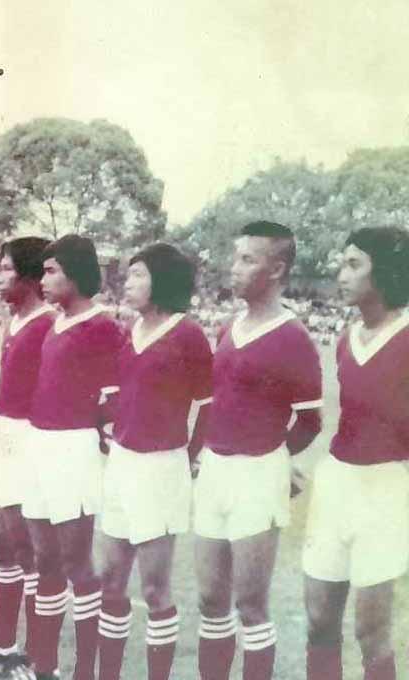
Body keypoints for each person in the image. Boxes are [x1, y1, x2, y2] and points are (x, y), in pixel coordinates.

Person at [195, 221, 322, 680]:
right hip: (214, 469)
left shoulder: (294, 337)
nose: (235, 267)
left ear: (277, 268)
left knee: (250, 604)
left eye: (248, 259)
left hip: (257, 475)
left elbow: (310, 423)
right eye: (236, 257)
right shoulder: (229, 327)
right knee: (210, 598)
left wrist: (273, 460)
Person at [96, 244, 212, 680]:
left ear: (162, 279)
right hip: (122, 464)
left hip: (162, 468)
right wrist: (110, 427)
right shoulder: (130, 329)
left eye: (138, 274)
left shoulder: (189, 335)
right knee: (111, 580)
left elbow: (209, 404)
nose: (128, 282)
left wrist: (190, 455)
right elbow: (124, 394)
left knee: (154, 587)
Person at [303, 226, 409, 680]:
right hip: (336, 484)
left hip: (386, 489)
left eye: (353, 264)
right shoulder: (345, 339)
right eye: (341, 263)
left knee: (371, 632)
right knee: (319, 622)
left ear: (384, 272)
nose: (340, 273)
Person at [23, 234, 123, 680]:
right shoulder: (53, 323)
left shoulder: (103, 325)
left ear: (77, 274)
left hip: (74, 449)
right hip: (40, 444)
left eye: (51, 271)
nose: (42, 280)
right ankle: (44, 666)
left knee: (76, 563)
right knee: (44, 560)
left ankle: (85, 671)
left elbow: (117, 394)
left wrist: (104, 431)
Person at [0, 237, 52, 672]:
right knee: (2, 546)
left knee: (28, 549)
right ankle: (3, 646)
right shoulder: (13, 320)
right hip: (0, 432)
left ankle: (35, 657)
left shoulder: (49, 324)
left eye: (4, 269)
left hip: (29, 438)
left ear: (30, 276)